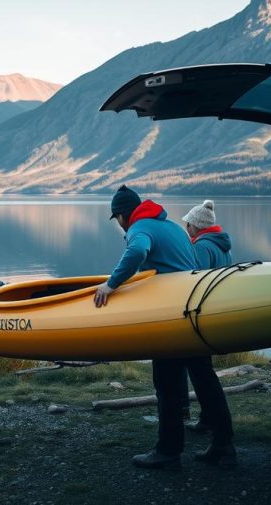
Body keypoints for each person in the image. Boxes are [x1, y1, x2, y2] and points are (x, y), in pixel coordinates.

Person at [93, 185, 198, 469]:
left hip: (168, 316)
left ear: (122, 216)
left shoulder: (140, 228)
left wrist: (111, 284)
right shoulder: (173, 227)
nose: (120, 225)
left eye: (117, 220)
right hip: (191, 312)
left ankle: (168, 451)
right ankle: (219, 444)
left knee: (165, 384)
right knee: (182, 382)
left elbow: (138, 251)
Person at [180, 199, 238, 468]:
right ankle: (206, 420)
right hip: (215, 312)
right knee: (200, 368)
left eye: (187, 223)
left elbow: (194, 278)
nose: (186, 226)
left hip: (201, 315)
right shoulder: (220, 244)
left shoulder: (202, 246)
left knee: (202, 372)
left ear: (196, 225)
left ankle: (223, 440)